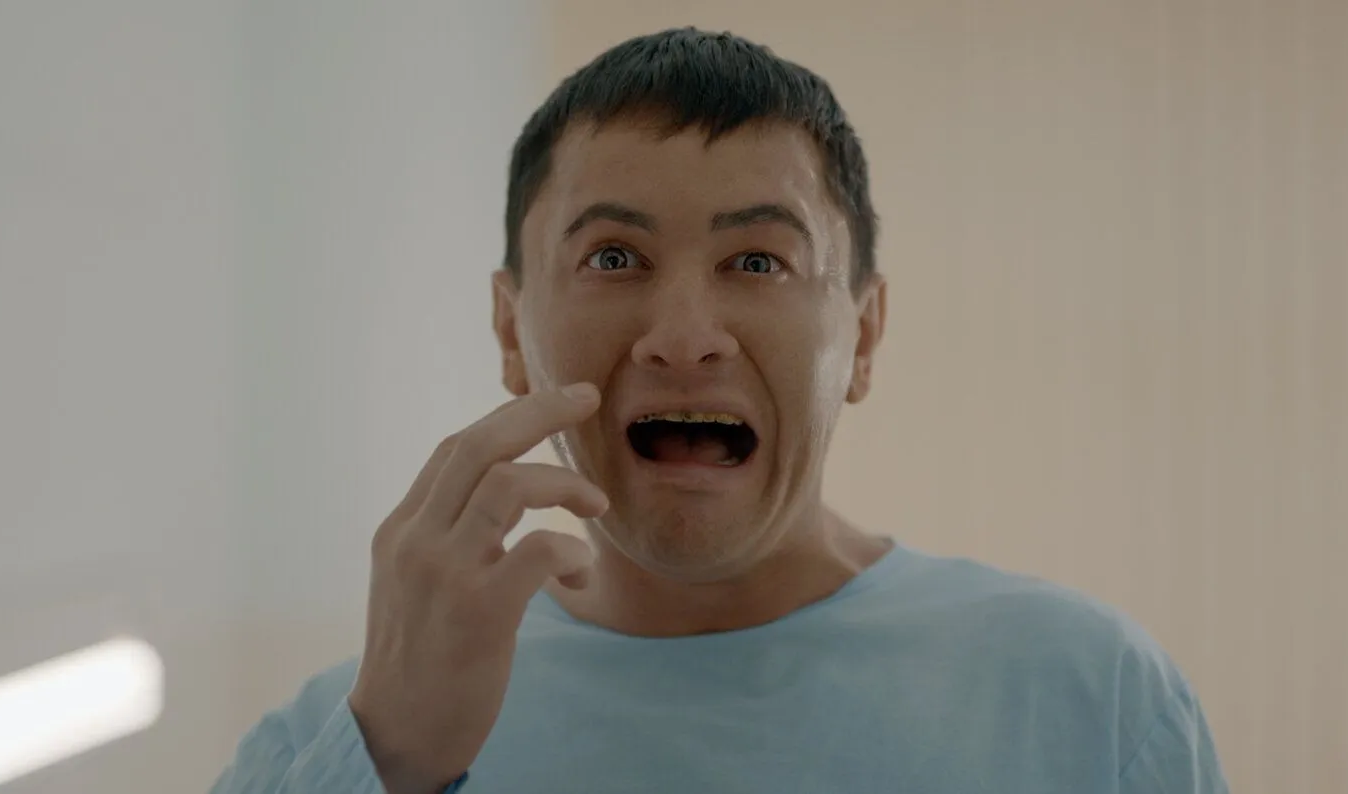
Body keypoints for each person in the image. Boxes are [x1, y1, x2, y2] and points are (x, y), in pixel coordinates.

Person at [210, 27, 1228, 794]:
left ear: (862, 335)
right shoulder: (337, 738)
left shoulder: (1089, 696)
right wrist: (388, 759)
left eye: (757, 260)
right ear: (510, 328)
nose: (684, 336)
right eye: (614, 256)